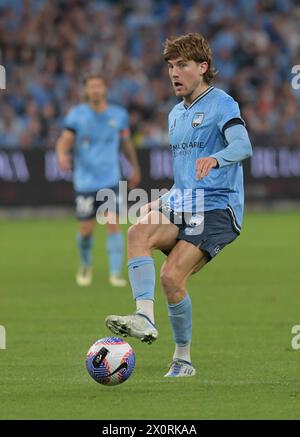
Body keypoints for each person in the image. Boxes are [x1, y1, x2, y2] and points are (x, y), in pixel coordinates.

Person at [105, 33, 252, 377]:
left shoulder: (223, 104)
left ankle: (183, 359)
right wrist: (161, 200)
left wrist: (217, 159)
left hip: (219, 208)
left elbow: (243, 146)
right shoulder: (175, 115)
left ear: (202, 68)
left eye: (182, 65)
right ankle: (144, 317)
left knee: (171, 276)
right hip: (185, 202)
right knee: (138, 231)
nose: (174, 72)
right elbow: (185, 178)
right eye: (171, 66)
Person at [56, 74, 141, 287]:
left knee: (113, 224)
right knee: (86, 229)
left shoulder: (118, 115)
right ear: (86, 91)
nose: (95, 90)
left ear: (105, 89)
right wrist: (62, 156)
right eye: (91, 87)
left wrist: (135, 167)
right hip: (85, 182)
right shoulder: (77, 115)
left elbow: (126, 144)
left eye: (98, 86)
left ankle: (115, 273)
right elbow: (64, 141)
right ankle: (85, 263)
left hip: (110, 179)